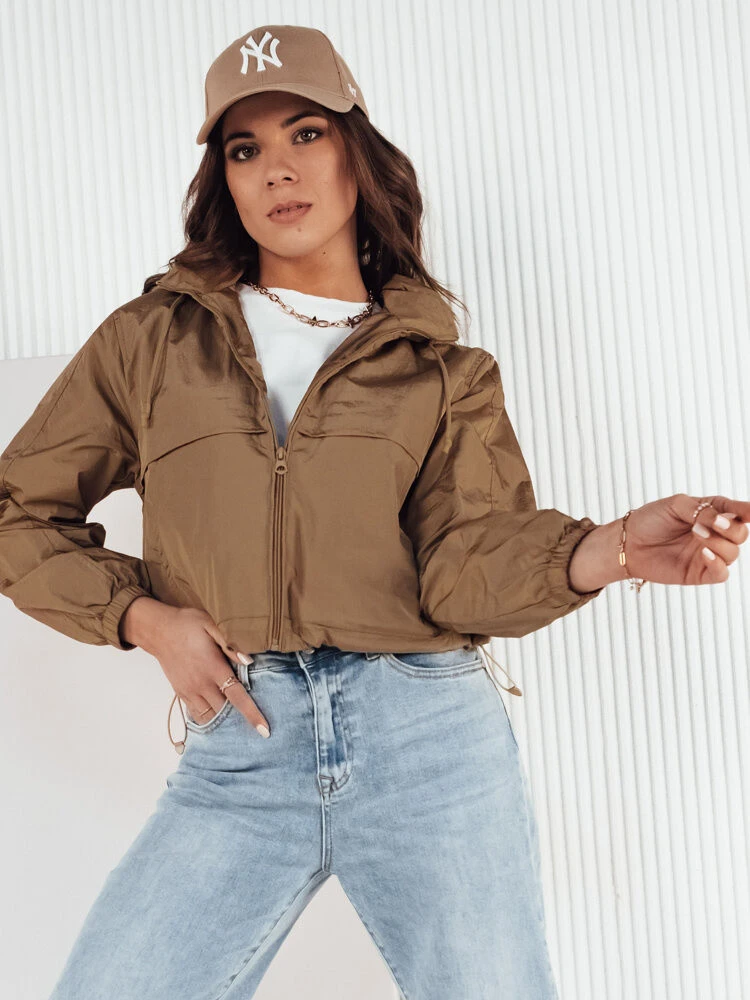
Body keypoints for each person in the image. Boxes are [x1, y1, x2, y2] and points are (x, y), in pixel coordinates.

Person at [1, 23, 747, 1000]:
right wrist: (146, 620)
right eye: (245, 149)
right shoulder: (151, 342)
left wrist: (606, 549)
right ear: (224, 181)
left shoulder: (441, 369)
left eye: (306, 133)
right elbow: (17, 513)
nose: (278, 168)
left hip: (428, 735)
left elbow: (463, 567)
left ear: (358, 151)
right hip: (243, 731)